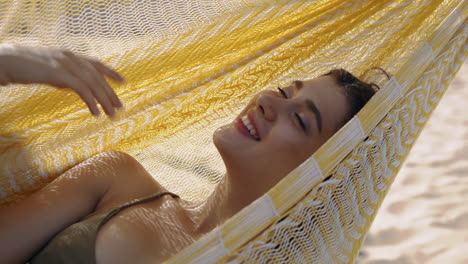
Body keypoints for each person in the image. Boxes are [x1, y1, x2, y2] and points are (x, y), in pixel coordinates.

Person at [0, 45, 383, 264]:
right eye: (284, 92)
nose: (267, 100)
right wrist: (7, 62)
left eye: (299, 119)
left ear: (320, 177)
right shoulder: (117, 179)